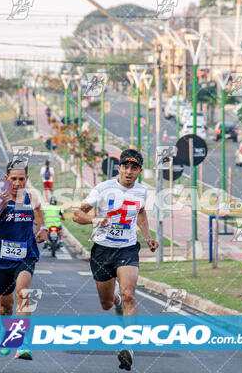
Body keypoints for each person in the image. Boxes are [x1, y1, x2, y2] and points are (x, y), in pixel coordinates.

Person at [73, 149, 158, 371]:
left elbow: (140, 213)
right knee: (107, 303)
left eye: (134, 168)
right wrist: (96, 219)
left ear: (140, 171)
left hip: (127, 249)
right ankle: (117, 300)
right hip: (102, 250)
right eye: (126, 167)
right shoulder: (103, 189)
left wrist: (148, 237)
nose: (129, 172)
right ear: (119, 168)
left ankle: (128, 346)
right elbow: (77, 215)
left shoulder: (141, 191)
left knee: (130, 294)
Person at [0, 160, 47, 360]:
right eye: (13, 179)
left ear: (27, 180)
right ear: (6, 179)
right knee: (5, 306)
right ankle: (5, 330)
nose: (17, 183)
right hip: (3, 259)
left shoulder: (32, 197)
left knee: (23, 294)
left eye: (21, 179)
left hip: (27, 255)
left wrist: (41, 229)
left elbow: (39, 211)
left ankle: (22, 342)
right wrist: (1, 206)